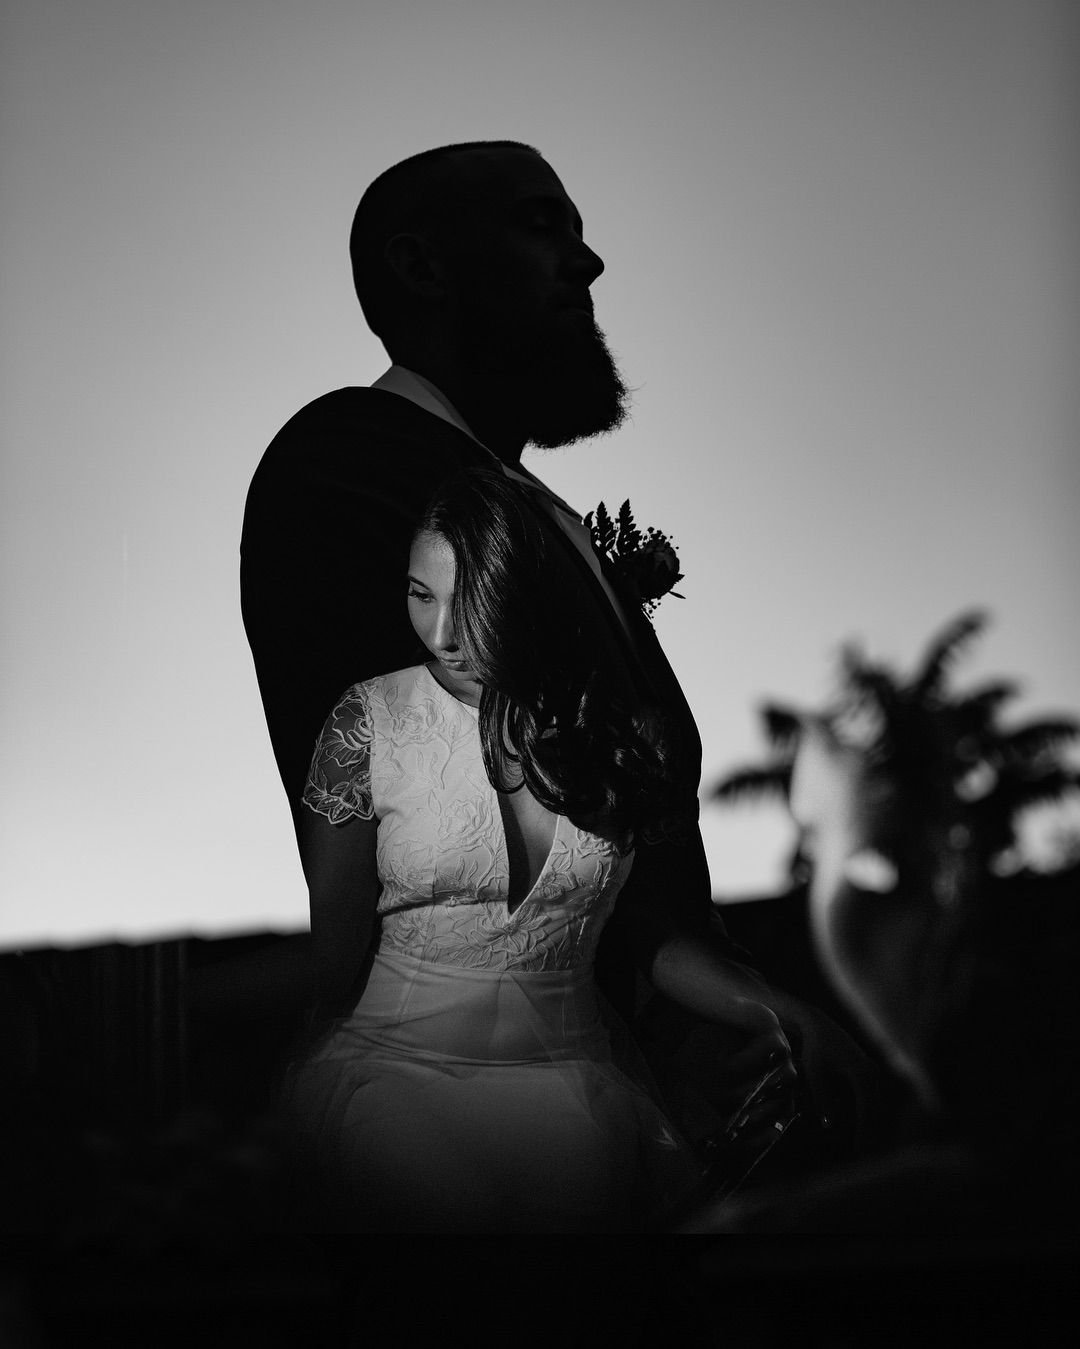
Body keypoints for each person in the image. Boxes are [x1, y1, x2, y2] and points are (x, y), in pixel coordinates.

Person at [239, 139, 809, 1066]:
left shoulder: (523, 507)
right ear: (422, 266)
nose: (588, 262)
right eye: (541, 227)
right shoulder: (350, 465)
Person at [278, 468, 791, 1232]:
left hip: (575, 1084)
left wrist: (785, 1013)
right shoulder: (370, 722)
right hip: (393, 1074)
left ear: (525, 592)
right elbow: (331, 956)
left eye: (469, 601)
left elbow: (654, 935)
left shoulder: (622, 734)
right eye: (421, 594)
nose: (441, 634)